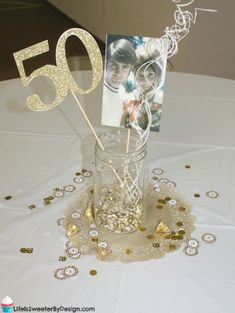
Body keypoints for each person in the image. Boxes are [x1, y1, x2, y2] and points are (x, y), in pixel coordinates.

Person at [120, 41, 165, 132]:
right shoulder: (129, 99)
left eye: (150, 75)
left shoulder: (161, 100)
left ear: (158, 75)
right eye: (140, 75)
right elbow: (121, 126)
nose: (145, 80)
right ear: (134, 75)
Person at [102, 38, 136, 127]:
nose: (118, 73)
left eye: (124, 67)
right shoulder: (99, 90)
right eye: (114, 65)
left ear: (131, 69)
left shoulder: (123, 93)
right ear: (106, 63)